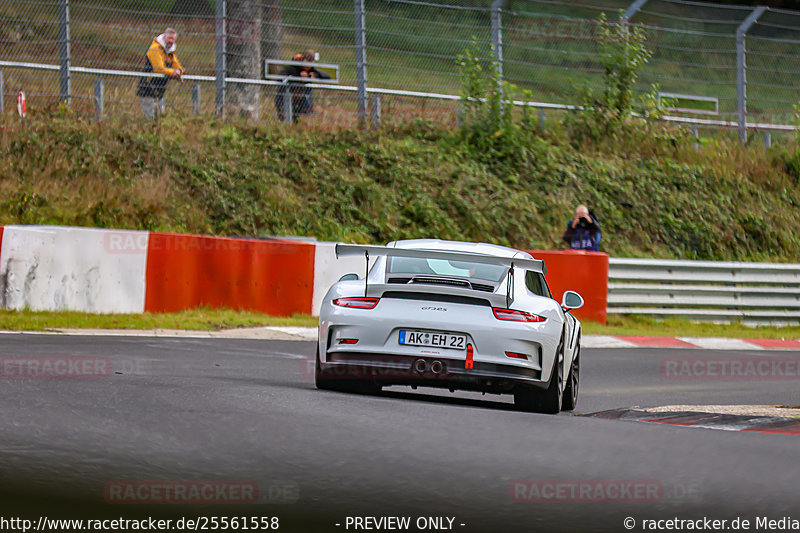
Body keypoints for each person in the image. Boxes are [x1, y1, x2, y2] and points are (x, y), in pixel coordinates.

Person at [136, 28, 184, 118]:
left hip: (160, 90)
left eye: (172, 39)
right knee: (149, 118)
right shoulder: (155, 48)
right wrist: (173, 72)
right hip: (148, 88)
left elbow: (177, 65)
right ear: (164, 37)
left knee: (160, 117)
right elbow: (159, 68)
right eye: (169, 38)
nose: (170, 41)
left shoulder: (170, 52)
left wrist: (178, 72)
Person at [274, 50, 330, 122]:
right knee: (285, 118)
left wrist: (312, 76)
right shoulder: (292, 66)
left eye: (310, 63)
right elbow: (280, 77)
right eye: (306, 63)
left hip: (301, 100)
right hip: (286, 96)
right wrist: (298, 77)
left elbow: (327, 76)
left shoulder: (311, 69)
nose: (308, 66)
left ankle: (306, 113)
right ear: (302, 59)